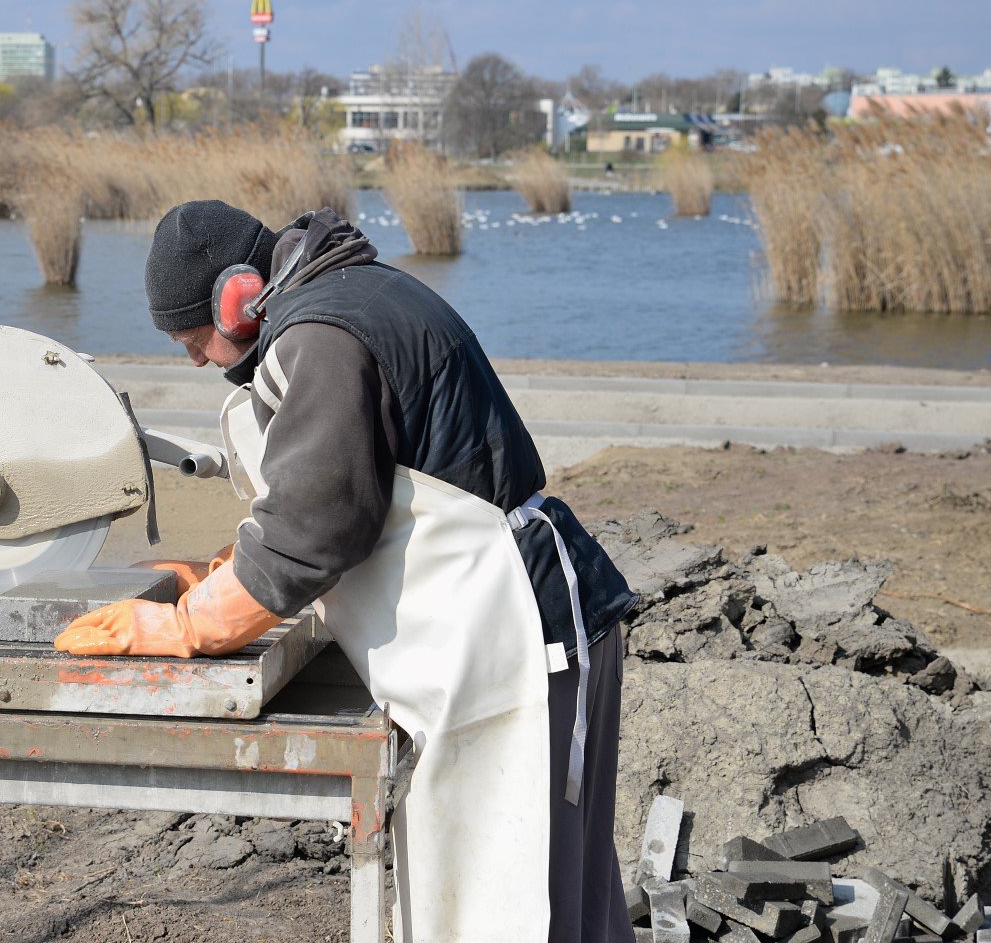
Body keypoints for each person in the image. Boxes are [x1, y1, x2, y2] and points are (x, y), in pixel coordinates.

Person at [56, 200, 639, 942]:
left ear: (237, 298)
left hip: (526, 638)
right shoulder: (339, 299)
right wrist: (223, 570)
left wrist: (187, 624)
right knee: (562, 902)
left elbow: (316, 528)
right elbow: (349, 488)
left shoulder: (322, 337)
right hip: (515, 629)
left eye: (191, 340)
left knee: (524, 907)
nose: (197, 360)